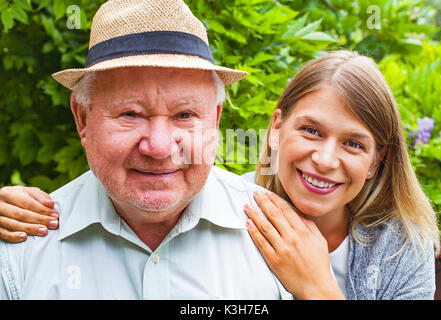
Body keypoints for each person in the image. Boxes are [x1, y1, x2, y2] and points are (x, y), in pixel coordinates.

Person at [0, 0, 293, 299]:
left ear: (215, 119)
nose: (159, 147)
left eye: (185, 115)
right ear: (83, 117)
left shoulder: (286, 236)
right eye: (131, 114)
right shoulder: (19, 251)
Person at [241, 50, 441, 299]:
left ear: (375, 160)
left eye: (353, 144)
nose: (325, 161)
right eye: (311, 130)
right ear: (276, 128)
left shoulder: (400, 248)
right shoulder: (225, 214)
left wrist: (318, 287)